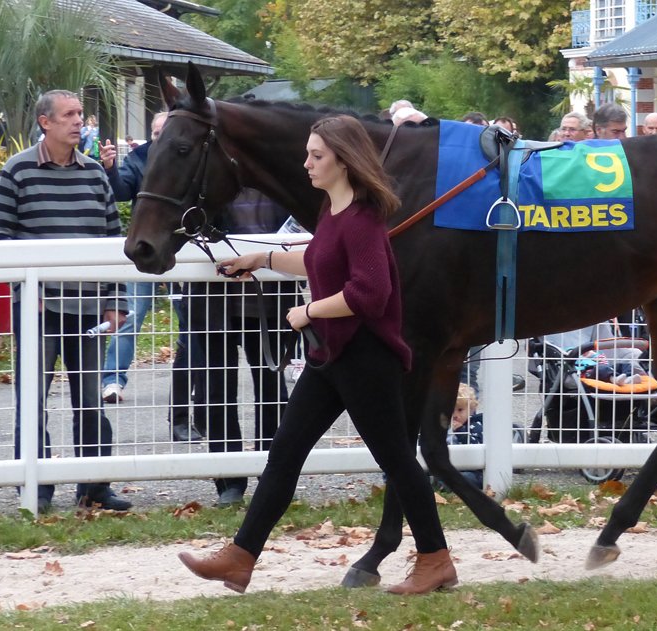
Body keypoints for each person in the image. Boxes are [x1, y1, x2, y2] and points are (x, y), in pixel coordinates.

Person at [178, 114, 456, 595]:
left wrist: (307, 311)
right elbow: (317, 259)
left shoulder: (363, 219)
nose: (306, 163)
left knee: (396, 460)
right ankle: (240, 558)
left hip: (365, 358)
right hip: (333, 356)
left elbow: (370, 293)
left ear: (343, 161)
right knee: (285, 453)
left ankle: (436, 559)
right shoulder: (333, 210)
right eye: (308, 154)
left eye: (316, 155)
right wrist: (261, 259)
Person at [0, 90, 131, 512]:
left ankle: (94, 486)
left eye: (80, 114)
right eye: (69, 114)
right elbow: (3, 240)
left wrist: (116, 300)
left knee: (90, 401)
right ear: (45, 122)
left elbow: (113, 242)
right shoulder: (16, 171)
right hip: (38, 308)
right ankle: (35, 488)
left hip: (89, 308)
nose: (78, 121)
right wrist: (26, 290)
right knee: (32, 399)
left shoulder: (94, 173)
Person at [184, 188, 298, 506]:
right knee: (217, 391)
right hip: (213, 300)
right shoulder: (208, 175)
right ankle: (229, 480)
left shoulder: (276, 174)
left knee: (272, 390)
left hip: (271, 298)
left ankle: (273, 473)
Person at [97, 112, 168, 404]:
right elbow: (121, 192)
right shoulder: (138, 157)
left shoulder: (191, 156)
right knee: (131, 315)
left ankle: (193, 379)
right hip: (145, 248)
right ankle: (112, 380)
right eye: (155, 132)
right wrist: (110, 168)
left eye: (165, 131)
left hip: (182, 248)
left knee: (191, 318)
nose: (159, 137)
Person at [436, 383, 485, 490]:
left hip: (471, 469)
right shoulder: (441, 425)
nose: (455, 415)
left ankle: (446, 484)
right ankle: (440, 482)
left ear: (471, 409)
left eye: (460, 410)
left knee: (467, 478)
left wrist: (461, 431)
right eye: (450, 409)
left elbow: (476, 446)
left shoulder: (475, 426)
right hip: (447, 466)